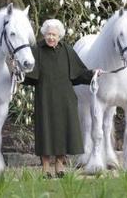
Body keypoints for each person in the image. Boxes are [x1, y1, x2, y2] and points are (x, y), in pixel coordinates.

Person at [23, 19, 101, 178]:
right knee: (45, 131)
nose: (51, 37)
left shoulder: (67, 50)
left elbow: (78, 74)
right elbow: (28, 76)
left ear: (59, 36)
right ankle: (45, 167)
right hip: (44, 98)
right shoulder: (36, 50)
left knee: (64, 131)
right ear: (44, 34)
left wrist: (94, 73)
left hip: (66, 99)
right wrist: (16, 72)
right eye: (48, 34)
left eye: (54, 35)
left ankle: (59, 165)